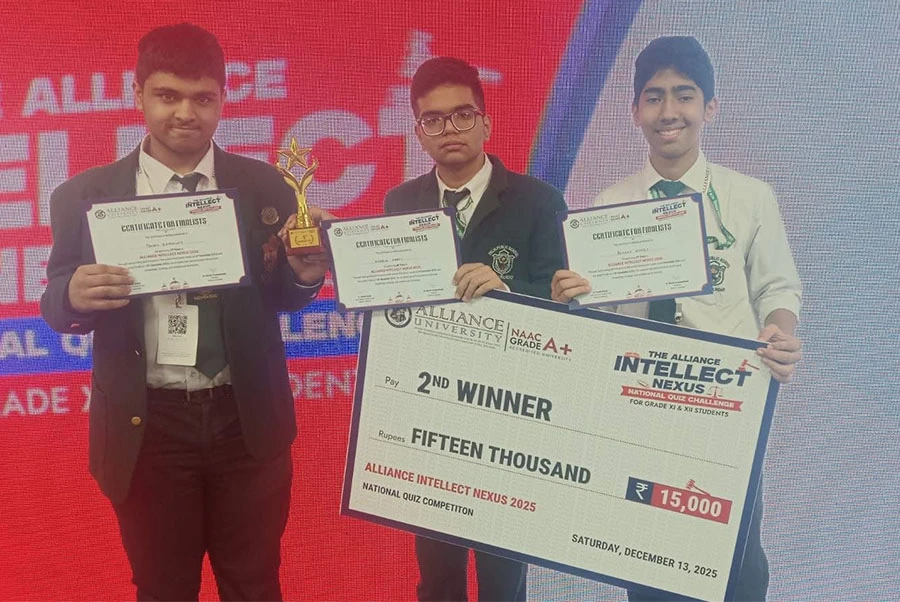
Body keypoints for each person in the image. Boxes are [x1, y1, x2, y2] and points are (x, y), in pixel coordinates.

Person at [39, 23, 331, 601]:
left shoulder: (266, 186)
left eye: (202, 98)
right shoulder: (83, 196)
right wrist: (71, 296)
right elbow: (54, 296)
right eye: (167, 95)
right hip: (147, 425)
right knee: (162, 589)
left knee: (254, 586)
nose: (185, 114)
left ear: (222, 99)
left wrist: (305, 275)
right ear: (138, 94)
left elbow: (284, 294)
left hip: (245, 419)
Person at [551, 36, 802, 601]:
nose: (669, 111)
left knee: (736, 559)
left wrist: (779, 332)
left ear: (709, 107)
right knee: (648, 560)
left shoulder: (749, 197)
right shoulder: (607, 206)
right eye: (654, 96)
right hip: (639, 409)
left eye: (684, 96)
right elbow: (599, 317)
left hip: (725, 408)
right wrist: (573, 298)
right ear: (635, 111)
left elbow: (778, 286)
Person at [384, 56, 567, 601]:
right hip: (430, 415)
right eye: (433, 119)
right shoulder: (401, 204)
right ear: (419, 131)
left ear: (486, 122)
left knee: (503, 581)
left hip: (510, 417)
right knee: (437, 578)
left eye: (462, 115)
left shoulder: (539, 202)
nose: (450, 129)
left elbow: (564, 308)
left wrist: (507, 294)